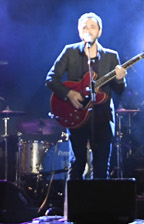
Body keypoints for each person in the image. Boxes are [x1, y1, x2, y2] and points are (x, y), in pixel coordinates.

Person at [44, 12, 127, 180]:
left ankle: (99, 198)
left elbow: (119, 90)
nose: (88, 30)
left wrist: (120, 79)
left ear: (100, 31)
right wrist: (69, 93)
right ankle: (75, 197)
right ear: (79, 32)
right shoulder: (70, 52)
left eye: (92, 27)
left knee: (101, 168)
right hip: (76, 116)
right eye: (84, 27)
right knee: (78, 164)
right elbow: (51, 78)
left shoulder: (111, 56)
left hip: (102, 118)